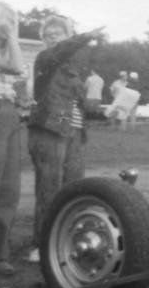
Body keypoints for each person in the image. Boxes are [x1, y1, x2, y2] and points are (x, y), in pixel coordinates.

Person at [26, 15, 103, 263]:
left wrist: (101, 111)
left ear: (66, 36)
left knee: (73, 187)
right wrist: (85, 36)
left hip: (74, 133)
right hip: (48, 130)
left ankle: (68, 239)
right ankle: (42, 244)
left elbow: (80, 105)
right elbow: (60, 52)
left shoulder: (72, 69)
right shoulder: (45, 59)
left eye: (57, 33)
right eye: (48, 35)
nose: (52, 38)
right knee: (48, 188)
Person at [0, 2, 24, 276]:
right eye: (4, 21)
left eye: (12, 22)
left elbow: (19, 74)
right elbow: (15, 67)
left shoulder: (7, 47)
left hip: (10, 115)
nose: (8, 25)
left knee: (8, 190)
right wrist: (11, 37)